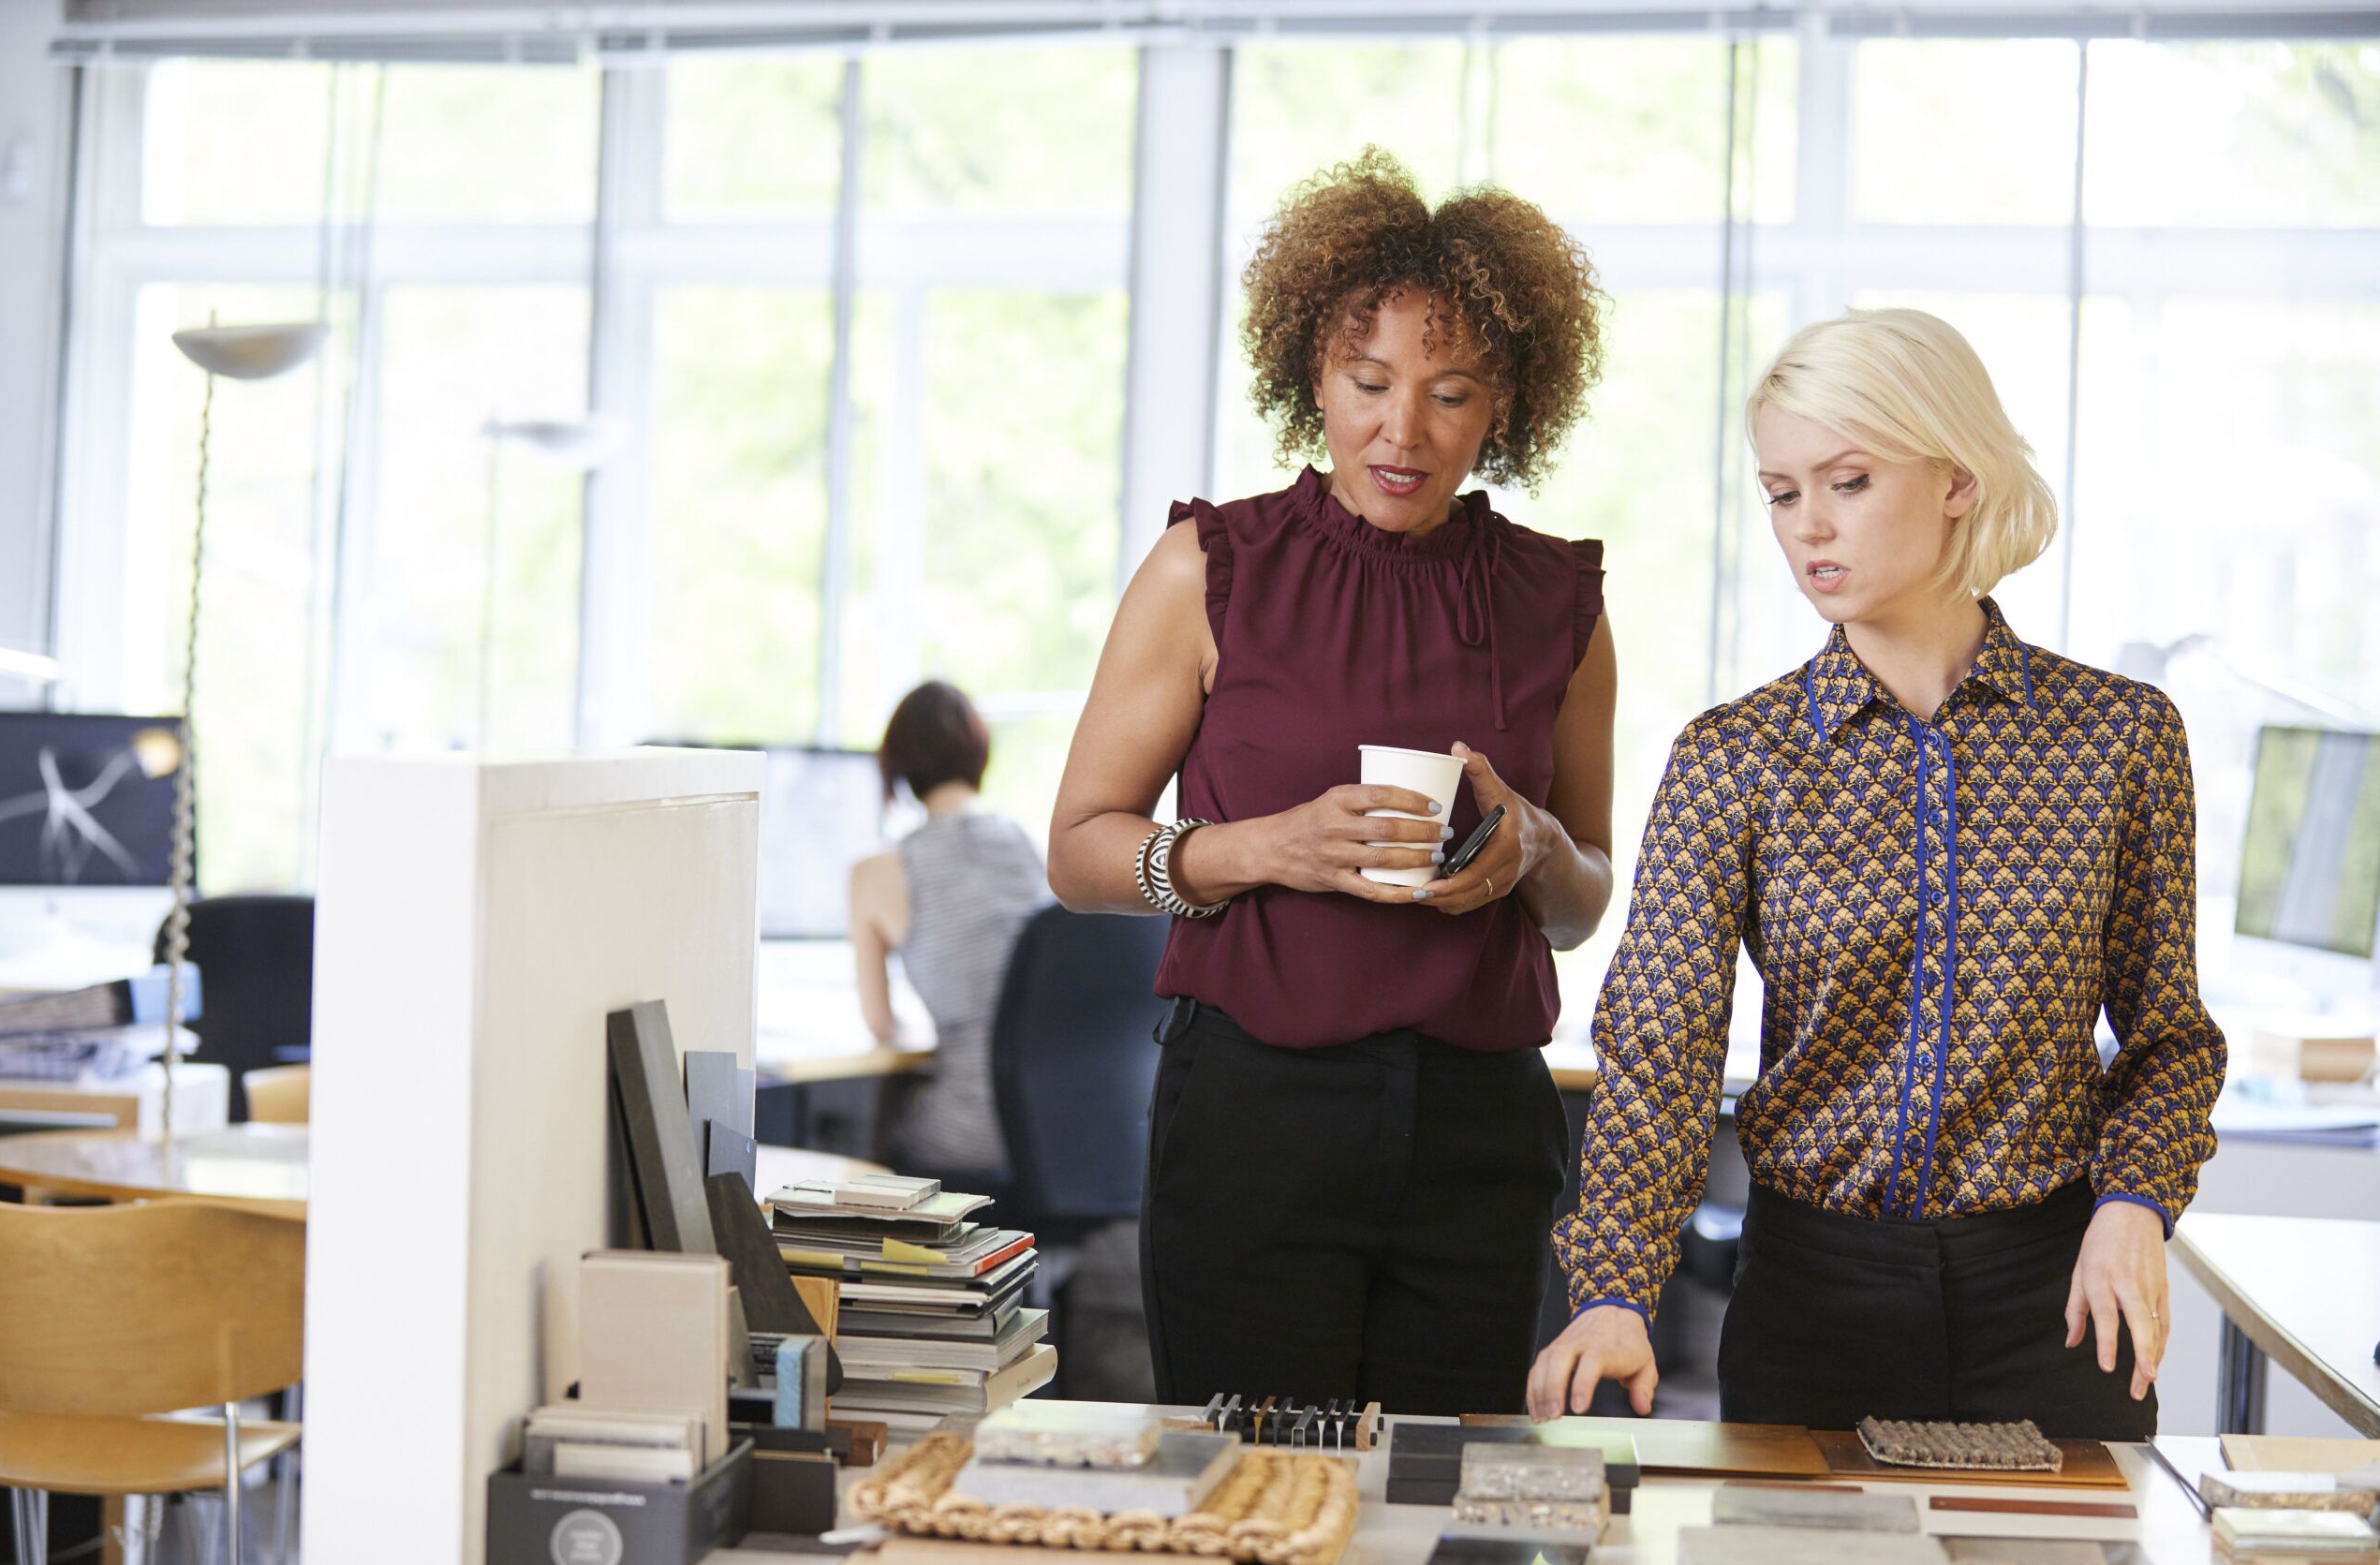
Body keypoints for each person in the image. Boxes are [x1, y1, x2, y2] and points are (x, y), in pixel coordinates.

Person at [1529, 308, 2225, 1438]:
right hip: (1815, 1303)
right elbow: (1662, 1043)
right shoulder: (1733, 758)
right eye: (1781, 492)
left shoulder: (2122, 737)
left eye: (1846, 482)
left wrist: (2135, 1202)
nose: (1808, 527)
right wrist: (1613, 1291)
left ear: (1956, 477)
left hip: (2054, 1303)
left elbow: (2168, 1037)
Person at [1046, 149, 1618, 1415]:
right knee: (1254, 1489)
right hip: (1256, 1108)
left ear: (1506, 404)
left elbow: (1584, 902)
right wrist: (1261, 849)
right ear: (1314, 373)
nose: (1401, 431)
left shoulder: (1558, 601)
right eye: (1369, 382)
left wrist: (1534, 852)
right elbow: (1079, 850)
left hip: (1483, 1124)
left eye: (1451, 393)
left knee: (1437, 1501)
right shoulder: (1210, 566)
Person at [850, 680, 1048, 1192]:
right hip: (1058, 1130)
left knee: (867, 1126)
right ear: (979, 754)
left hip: (969, 1138)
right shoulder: (1029, 847)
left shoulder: (878, 871)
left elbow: (879, 1023)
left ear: (898, 767)